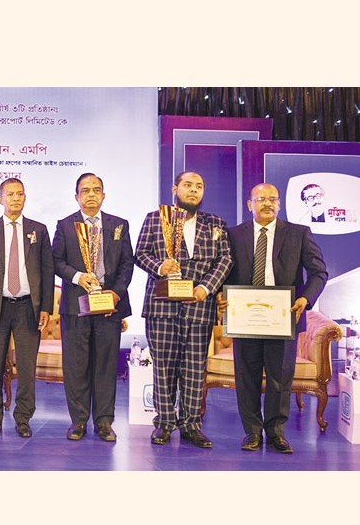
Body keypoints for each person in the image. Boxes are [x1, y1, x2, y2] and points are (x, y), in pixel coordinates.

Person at [218, 183, 327, 453]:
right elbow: (223, 271)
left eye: (272, 199)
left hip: (283, 317)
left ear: (279, 204)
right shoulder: (234, 235)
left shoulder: (299, 233)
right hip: (245, 318)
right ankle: (252, 433)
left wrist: (305, 298)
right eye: (261, 199)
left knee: (280, 378)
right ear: (249, 204)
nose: (267, 203)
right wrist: (221, 295)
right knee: (247, 376)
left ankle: (277, 432)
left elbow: (318, 272)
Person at [134, 171, 232, 448]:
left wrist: (206, 288)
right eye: (188, 185)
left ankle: (191, 424)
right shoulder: (155, 218)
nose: (193, 190)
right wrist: (159, 267)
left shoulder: (215, 223)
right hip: (162, 305)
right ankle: (164, 422)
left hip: (199, 305)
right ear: (175, 188)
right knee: (163, 367)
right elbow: (140, 254)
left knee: (194, 368)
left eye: (199, 186)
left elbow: (226, 259)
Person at [52, 173, 134, 442]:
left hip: (108, 308)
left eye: (96, 190)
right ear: (76, 196)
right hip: (76, 307)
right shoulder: (65, 226)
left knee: (105, 366)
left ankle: (104, 422)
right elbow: (55, 261)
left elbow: (126, 265)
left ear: (103, 195)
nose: (90, 195)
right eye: (85, 191)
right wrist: (77, 276)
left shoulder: (119, 225)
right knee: (76, 367)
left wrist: (115, 294)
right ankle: (78, 422)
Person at [0, 178, 53, 438]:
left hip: (28, 307)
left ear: (25, 198)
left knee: (27, 367)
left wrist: (46, 307)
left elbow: (47, 271)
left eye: (20, 194)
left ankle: (23, 418)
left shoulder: (38, 230)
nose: (15, 198)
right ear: (0, 199)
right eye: (10, 194)